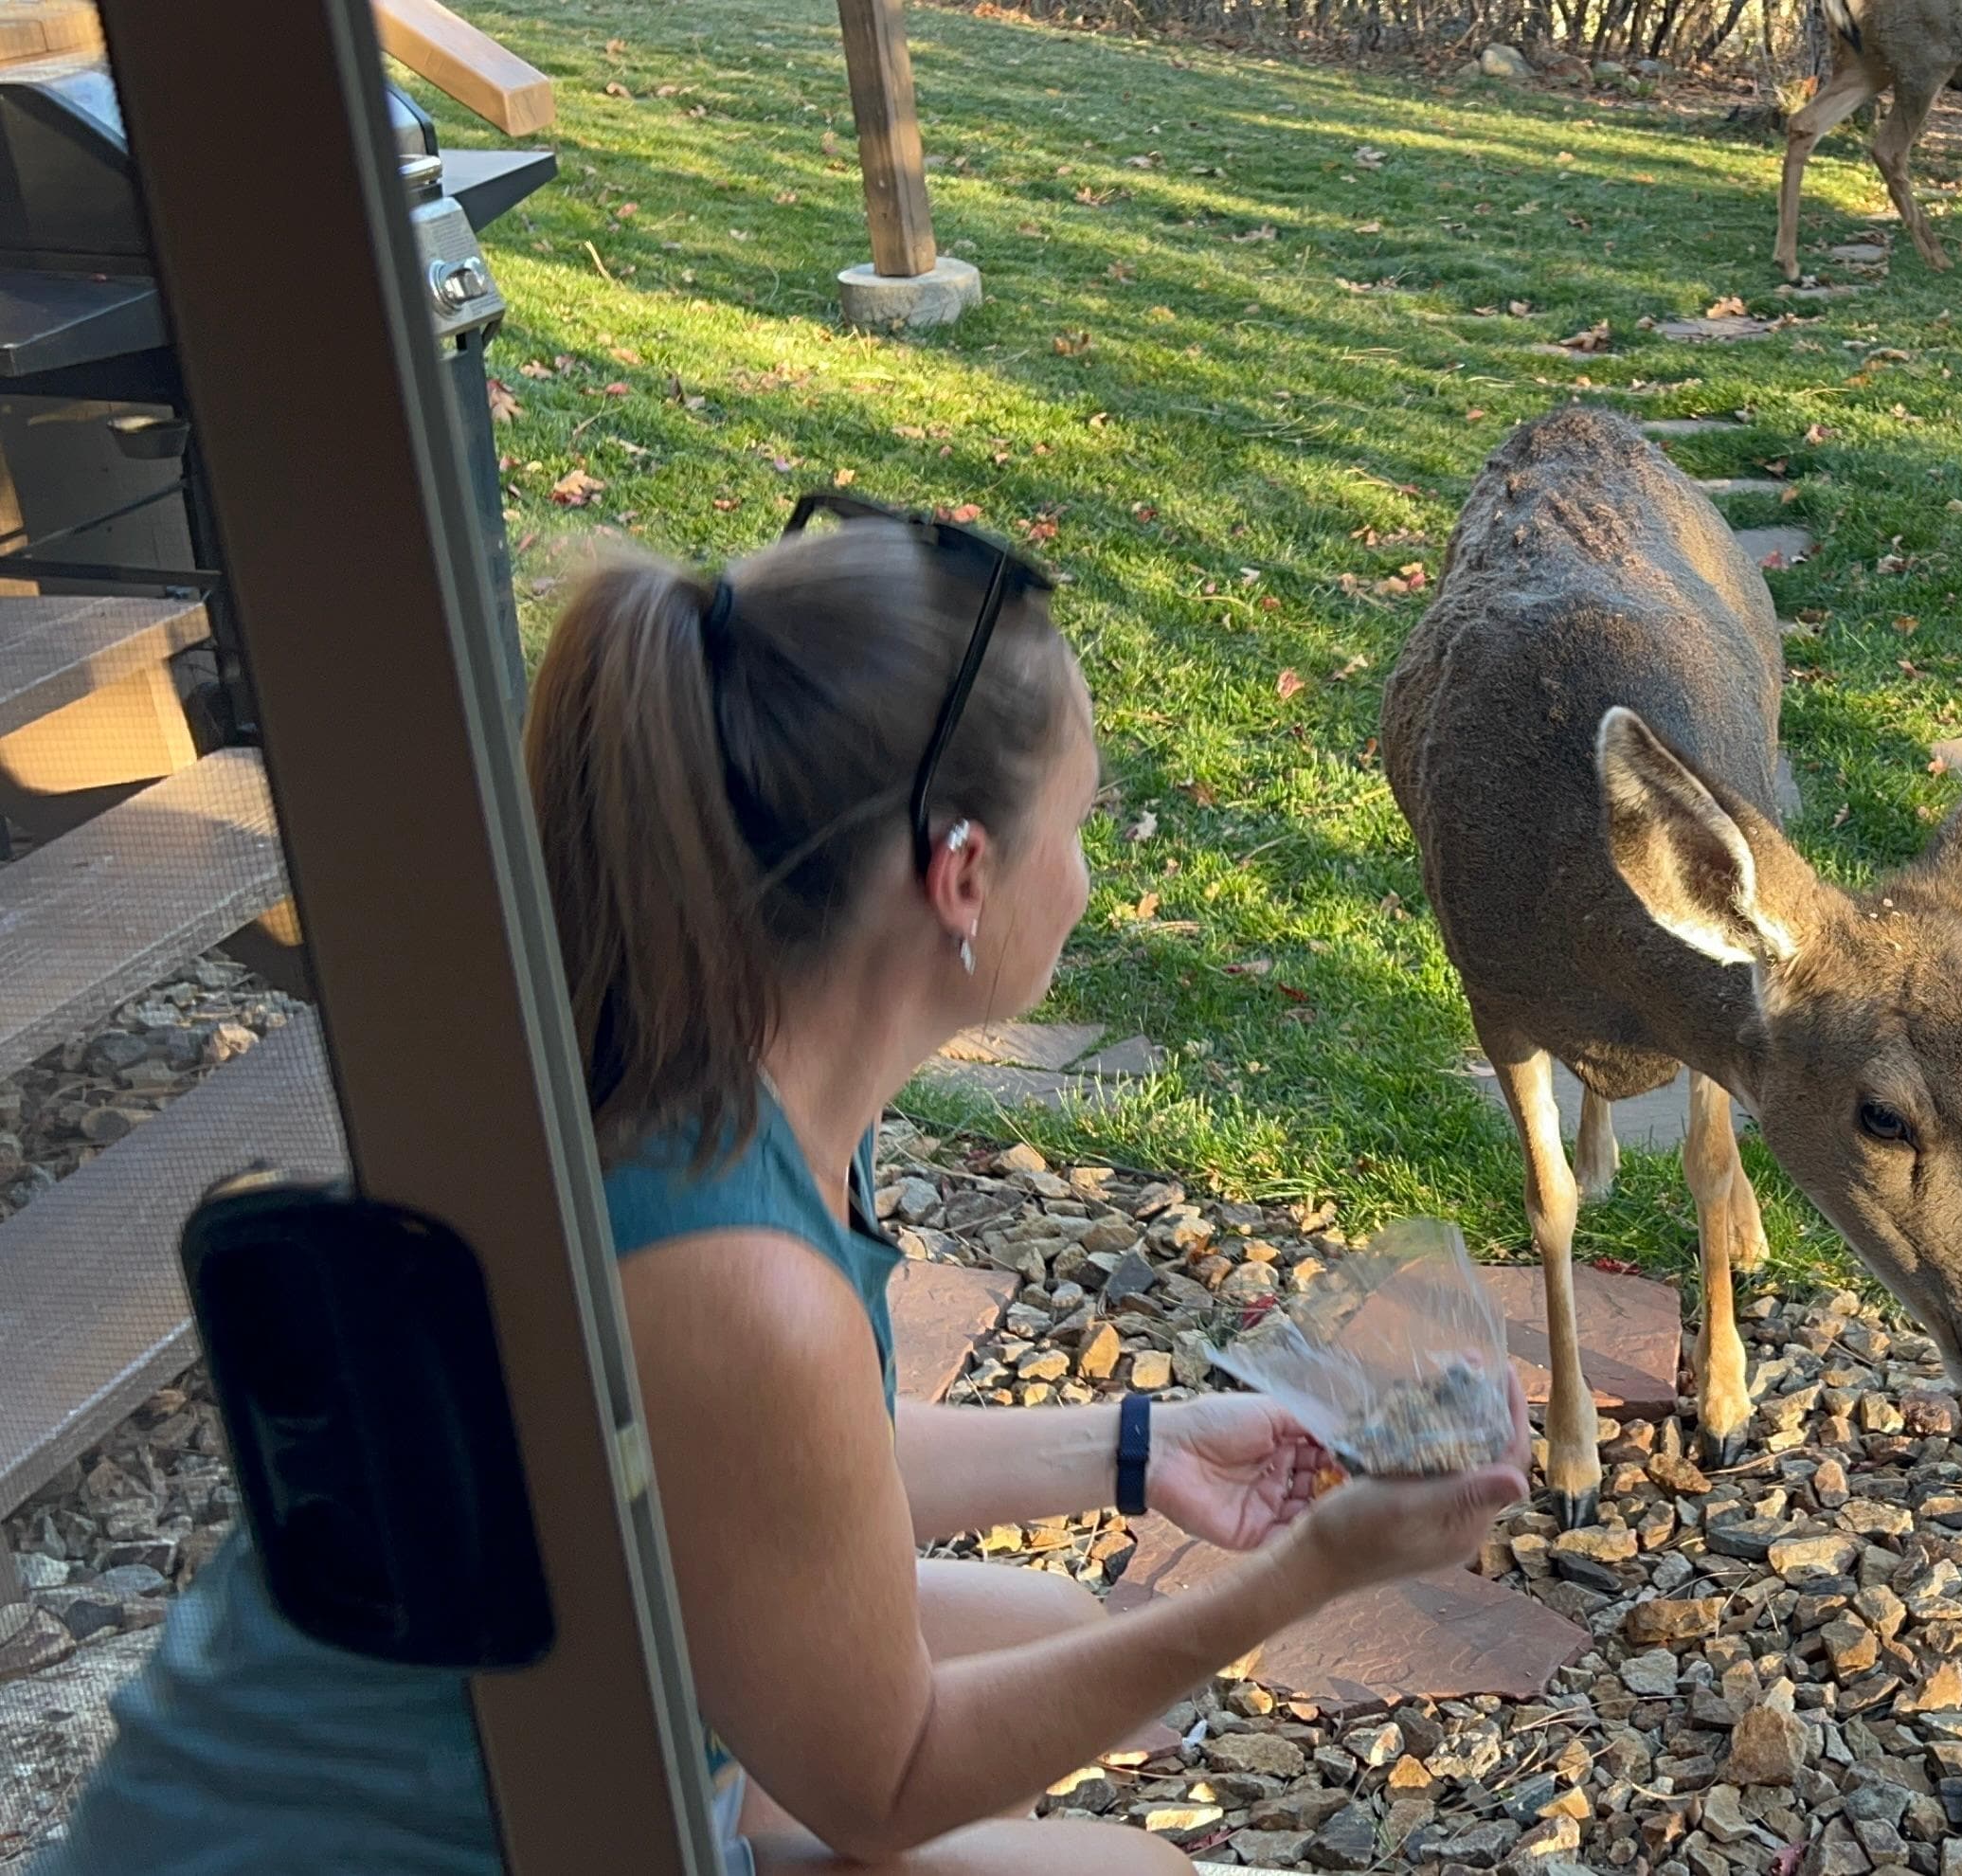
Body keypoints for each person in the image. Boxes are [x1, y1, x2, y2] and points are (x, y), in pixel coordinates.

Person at [48, 499, 1527, 1875]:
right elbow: (882, 1779)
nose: (1082, 877)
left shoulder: (703, 1069)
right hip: (384, 1837)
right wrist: (1297, 1580)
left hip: (551, 1720)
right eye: (1075, 826)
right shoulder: (736, 1269)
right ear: (960, 875)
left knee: (1043, 1619)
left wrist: (1144, 1446)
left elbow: (774, 1458)